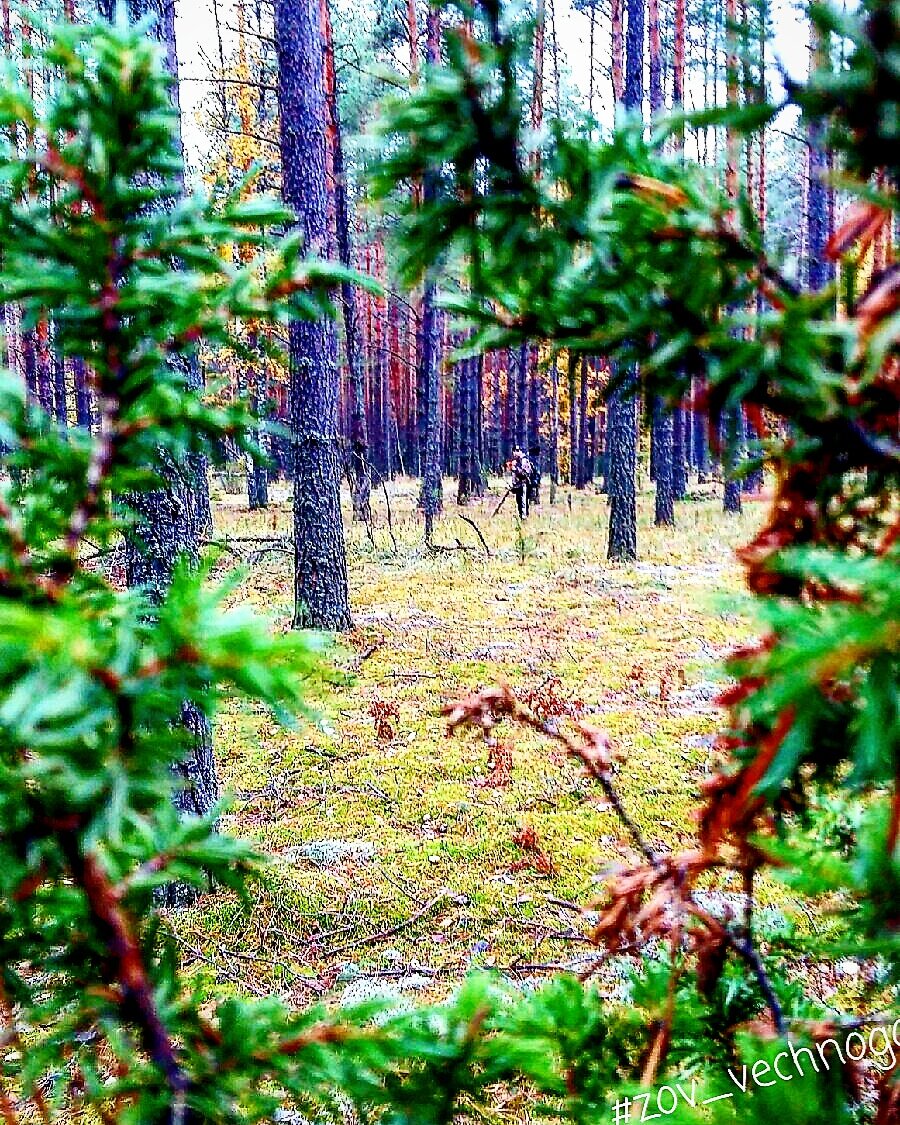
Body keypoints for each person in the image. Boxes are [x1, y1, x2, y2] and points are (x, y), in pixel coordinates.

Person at [509, 447, 533, 519]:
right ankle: (521, 516)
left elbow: (525, 474)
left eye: (517, 451)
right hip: (517, 486)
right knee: (519, 502)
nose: (515, 453)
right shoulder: (515, 462)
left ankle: (524, 517)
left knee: (524, 502)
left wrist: (516, 470)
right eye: (514, 451)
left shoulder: (524, 461)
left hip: (524, 484)